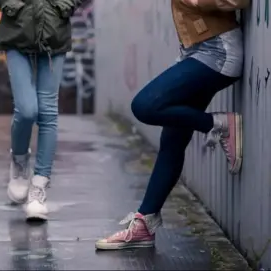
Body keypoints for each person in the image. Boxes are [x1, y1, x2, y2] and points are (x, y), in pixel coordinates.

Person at [95, 0, 249, 250]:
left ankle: (217, 123)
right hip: (195, 52)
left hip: (218, 52)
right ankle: (145, 224)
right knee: (172, 141)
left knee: (145, 105)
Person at [0, 0, 82, 220]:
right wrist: (12, 5)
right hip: (17, 29)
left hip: (54, 31)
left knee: (48, 111)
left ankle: (39, 187)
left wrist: (62, 5)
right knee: (26, 110)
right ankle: (20, 162)